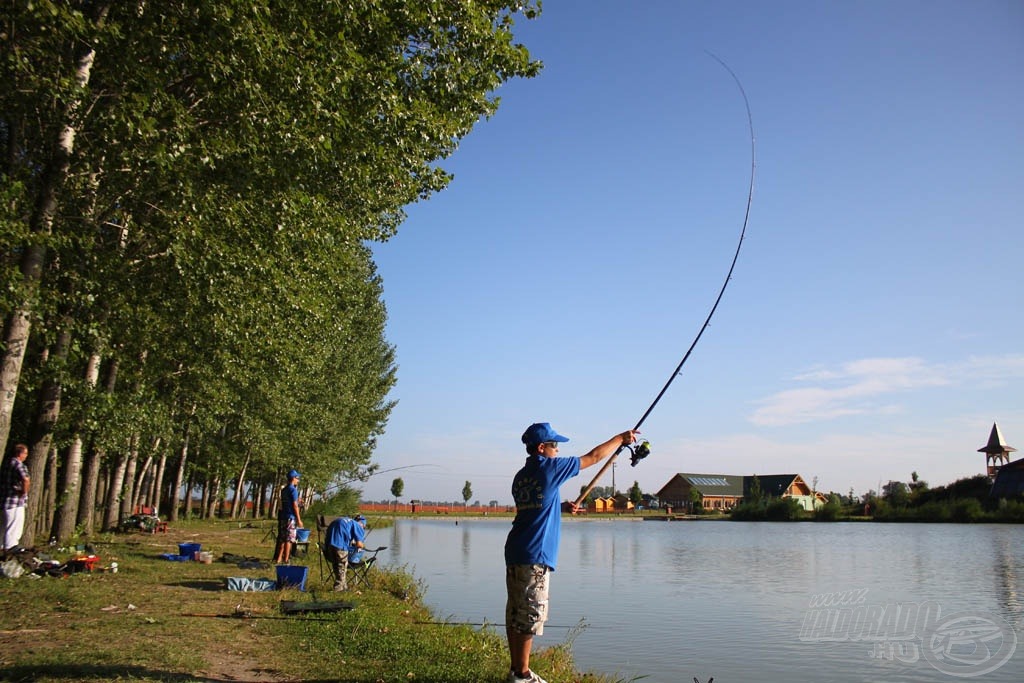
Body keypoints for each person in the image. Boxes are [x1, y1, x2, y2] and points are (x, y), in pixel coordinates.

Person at [504, 423, 637, 683]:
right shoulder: (551, 468)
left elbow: (534, 507)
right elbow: (595, 457)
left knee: (516, 612)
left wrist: (560, 506)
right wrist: (620, 438)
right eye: (555, 446)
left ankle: (518, 670)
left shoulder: (522, 475)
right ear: (541, 448)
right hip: (535, 554)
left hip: (516, 551)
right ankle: (521, 675)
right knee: (530, 614)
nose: (558, 450)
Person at [323, 514, 367, 591]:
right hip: (340, 545)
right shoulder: (358, 526)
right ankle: (338, 589)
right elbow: (359, 544)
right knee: (342, 566)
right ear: (363, 525)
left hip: (329, 545)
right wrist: (363, 546)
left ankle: (344, 587)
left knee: (336, 564)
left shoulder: (347, 520)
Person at [1, 444, 31, 553]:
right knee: (14, 526)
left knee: (4, 526)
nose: (26, 456)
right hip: (15, 501)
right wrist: (24, 492)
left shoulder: (6, 463)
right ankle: (11, 547)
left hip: (5, 501)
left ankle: (3, 546)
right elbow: (26, 479)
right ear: (19, 454)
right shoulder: (19, 465)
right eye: (25, 453)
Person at [273, 469, 303, 564]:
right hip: (290, 517)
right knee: (288, 539)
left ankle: (278, 559)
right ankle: (286, 560)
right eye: (297, 478)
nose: (298, 480)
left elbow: (289, 502)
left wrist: (298, 501)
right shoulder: (293, 489)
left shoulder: (284, 490)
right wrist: (299, 519)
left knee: (282, 538)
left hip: (283, 516)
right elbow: (294, 506)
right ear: (293, 478)